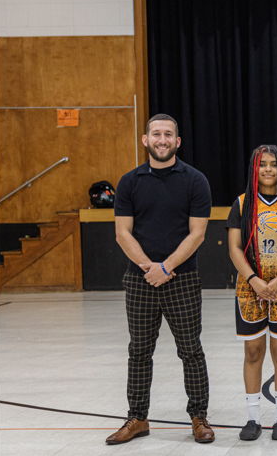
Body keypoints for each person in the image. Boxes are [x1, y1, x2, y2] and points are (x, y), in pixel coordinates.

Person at [108, 114, 214, 445]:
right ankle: (137, 418)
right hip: (139, 280)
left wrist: (166, 267)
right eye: (156, 134)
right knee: (139, 351)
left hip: (182, 279)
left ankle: (199, 417)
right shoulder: (129, 182)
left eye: (169, 134)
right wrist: (147, 267)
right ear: (146, 140)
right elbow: (122, 233)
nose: (162, 139)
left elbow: (197, 234)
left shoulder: (196, 181)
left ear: (177, 142)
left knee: (191, 350)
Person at [225, 145, 277, 441]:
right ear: (254, 168)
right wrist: (254, 280)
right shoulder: (242, 203)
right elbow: (235, 247)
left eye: (274, 164)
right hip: (250, 288)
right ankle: (252, 419)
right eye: (263, 165)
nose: (269, 170)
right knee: (252, 351)